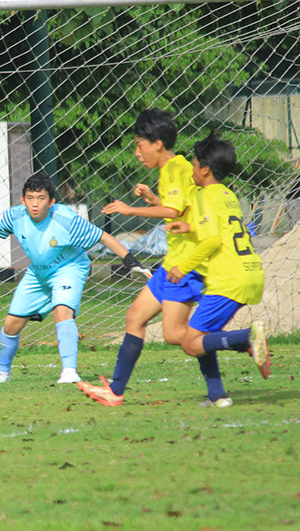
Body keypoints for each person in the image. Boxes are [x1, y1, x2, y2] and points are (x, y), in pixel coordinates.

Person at [0, 171, 149, 385]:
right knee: (11, 325)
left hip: (70, 268)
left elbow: (104, 237)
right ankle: (3, 372)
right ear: (23, 200)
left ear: (51, 202)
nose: (35, 204)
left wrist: (130, 261)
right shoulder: (15, 215)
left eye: (41, 198)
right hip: (38, 272)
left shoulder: (66, 219)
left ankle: (69, 371)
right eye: (30, 198)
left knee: (62, 310)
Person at [78, 109, 205, 406]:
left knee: (177, 336)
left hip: (185, 262)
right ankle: (116, 391)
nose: (137, 152)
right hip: (174, 259)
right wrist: (153, 200)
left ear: (157, 143)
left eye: (139, 144)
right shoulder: (174, 169)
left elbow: (174, 213)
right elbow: (180, 208)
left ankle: (240, 342)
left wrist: (130, 209)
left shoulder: (176, 168)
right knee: (136, 316)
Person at [166, 132, 270, 406]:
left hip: (228, 279)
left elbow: (212, 240)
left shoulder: (203, 196)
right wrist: (189, 227)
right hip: (248, 271)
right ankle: (217, 396)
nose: (191, 168)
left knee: (190, 343)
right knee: (201, 336)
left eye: (194, 163)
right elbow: (221, 229)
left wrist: (182, 266)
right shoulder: (227, 194)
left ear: (205, 169)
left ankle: (246, 337)